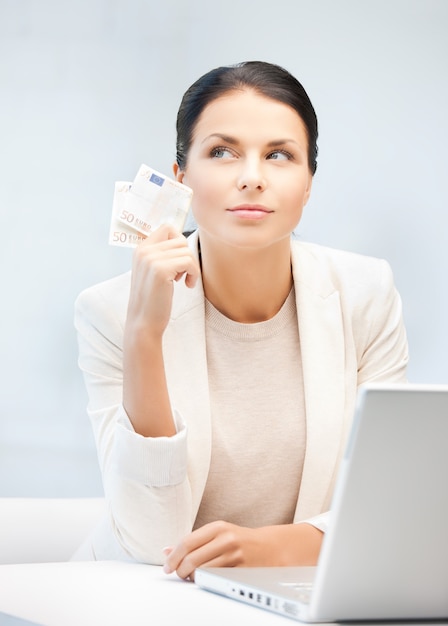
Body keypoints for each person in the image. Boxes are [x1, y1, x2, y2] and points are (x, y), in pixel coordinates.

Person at [74, 60, 408, 579]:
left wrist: (270, 549)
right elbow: (149, 540)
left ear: (309, 182)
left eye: (279, 155)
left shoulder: (366, 292)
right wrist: (143, 335)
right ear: (181, 179)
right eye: (222, 152)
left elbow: (388, 507)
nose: (252, 178)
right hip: (143, 597)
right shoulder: (109, 313)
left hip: (294, 594)